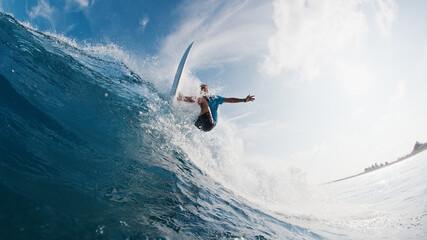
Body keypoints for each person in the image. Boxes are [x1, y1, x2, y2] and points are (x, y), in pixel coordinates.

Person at [177, 84, 255, 132]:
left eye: (205, 89)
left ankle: (180, 97)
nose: (203, 90)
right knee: (191, 110)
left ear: (208, 91)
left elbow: (230, 100)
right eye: (202, 89)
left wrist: (244, 100)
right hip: (200, 124)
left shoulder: (215, 98)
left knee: (203, 101)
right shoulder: (199, 99)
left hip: (210, 124)